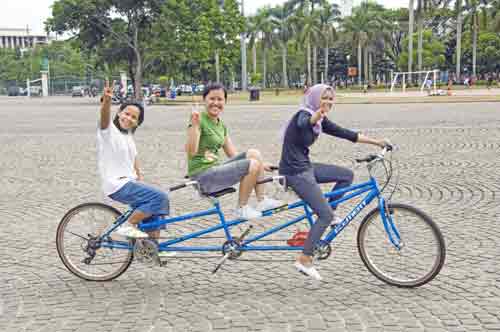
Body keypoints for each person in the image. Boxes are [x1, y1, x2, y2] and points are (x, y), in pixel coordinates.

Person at [279, 84, 390, 280]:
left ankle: (329, 214)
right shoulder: (304, 114)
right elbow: (305, 123)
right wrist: (318, 114)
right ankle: (304, 259)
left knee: (346, 175)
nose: (328, 102)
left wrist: (377, 142)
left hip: (305, 167)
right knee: (324, 215)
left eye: (331, 98)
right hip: (294, 173)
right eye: (324, 98)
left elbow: (347, 134)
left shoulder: (320, 120)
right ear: (314, 98)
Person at [186, 83, 282, 220]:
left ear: (225, 102)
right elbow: (191, 152)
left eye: (220, 99)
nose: (216, 103)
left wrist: (262, 164)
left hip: (215, 169)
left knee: (254, 154)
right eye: (212, 99)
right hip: (202, 175)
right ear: (204, 100)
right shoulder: (198, 120)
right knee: (252, 164)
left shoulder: (220, 125)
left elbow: (233, 155)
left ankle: (262, 201)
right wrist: (194, 126)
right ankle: (241, 208)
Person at [98, 80, 169, 239]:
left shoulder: (128, 136)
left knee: (155, 210)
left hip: (129, 182)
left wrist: (140, 180)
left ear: (137, 122)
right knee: (160, 197)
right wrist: (107, 102)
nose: (129, 118)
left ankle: (152, 249)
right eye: (126, 113)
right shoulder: (109, 132)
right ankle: (127, 226)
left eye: (134, 117)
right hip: (116, 184)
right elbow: (104, 120)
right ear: (119, 113)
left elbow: (134, 160)